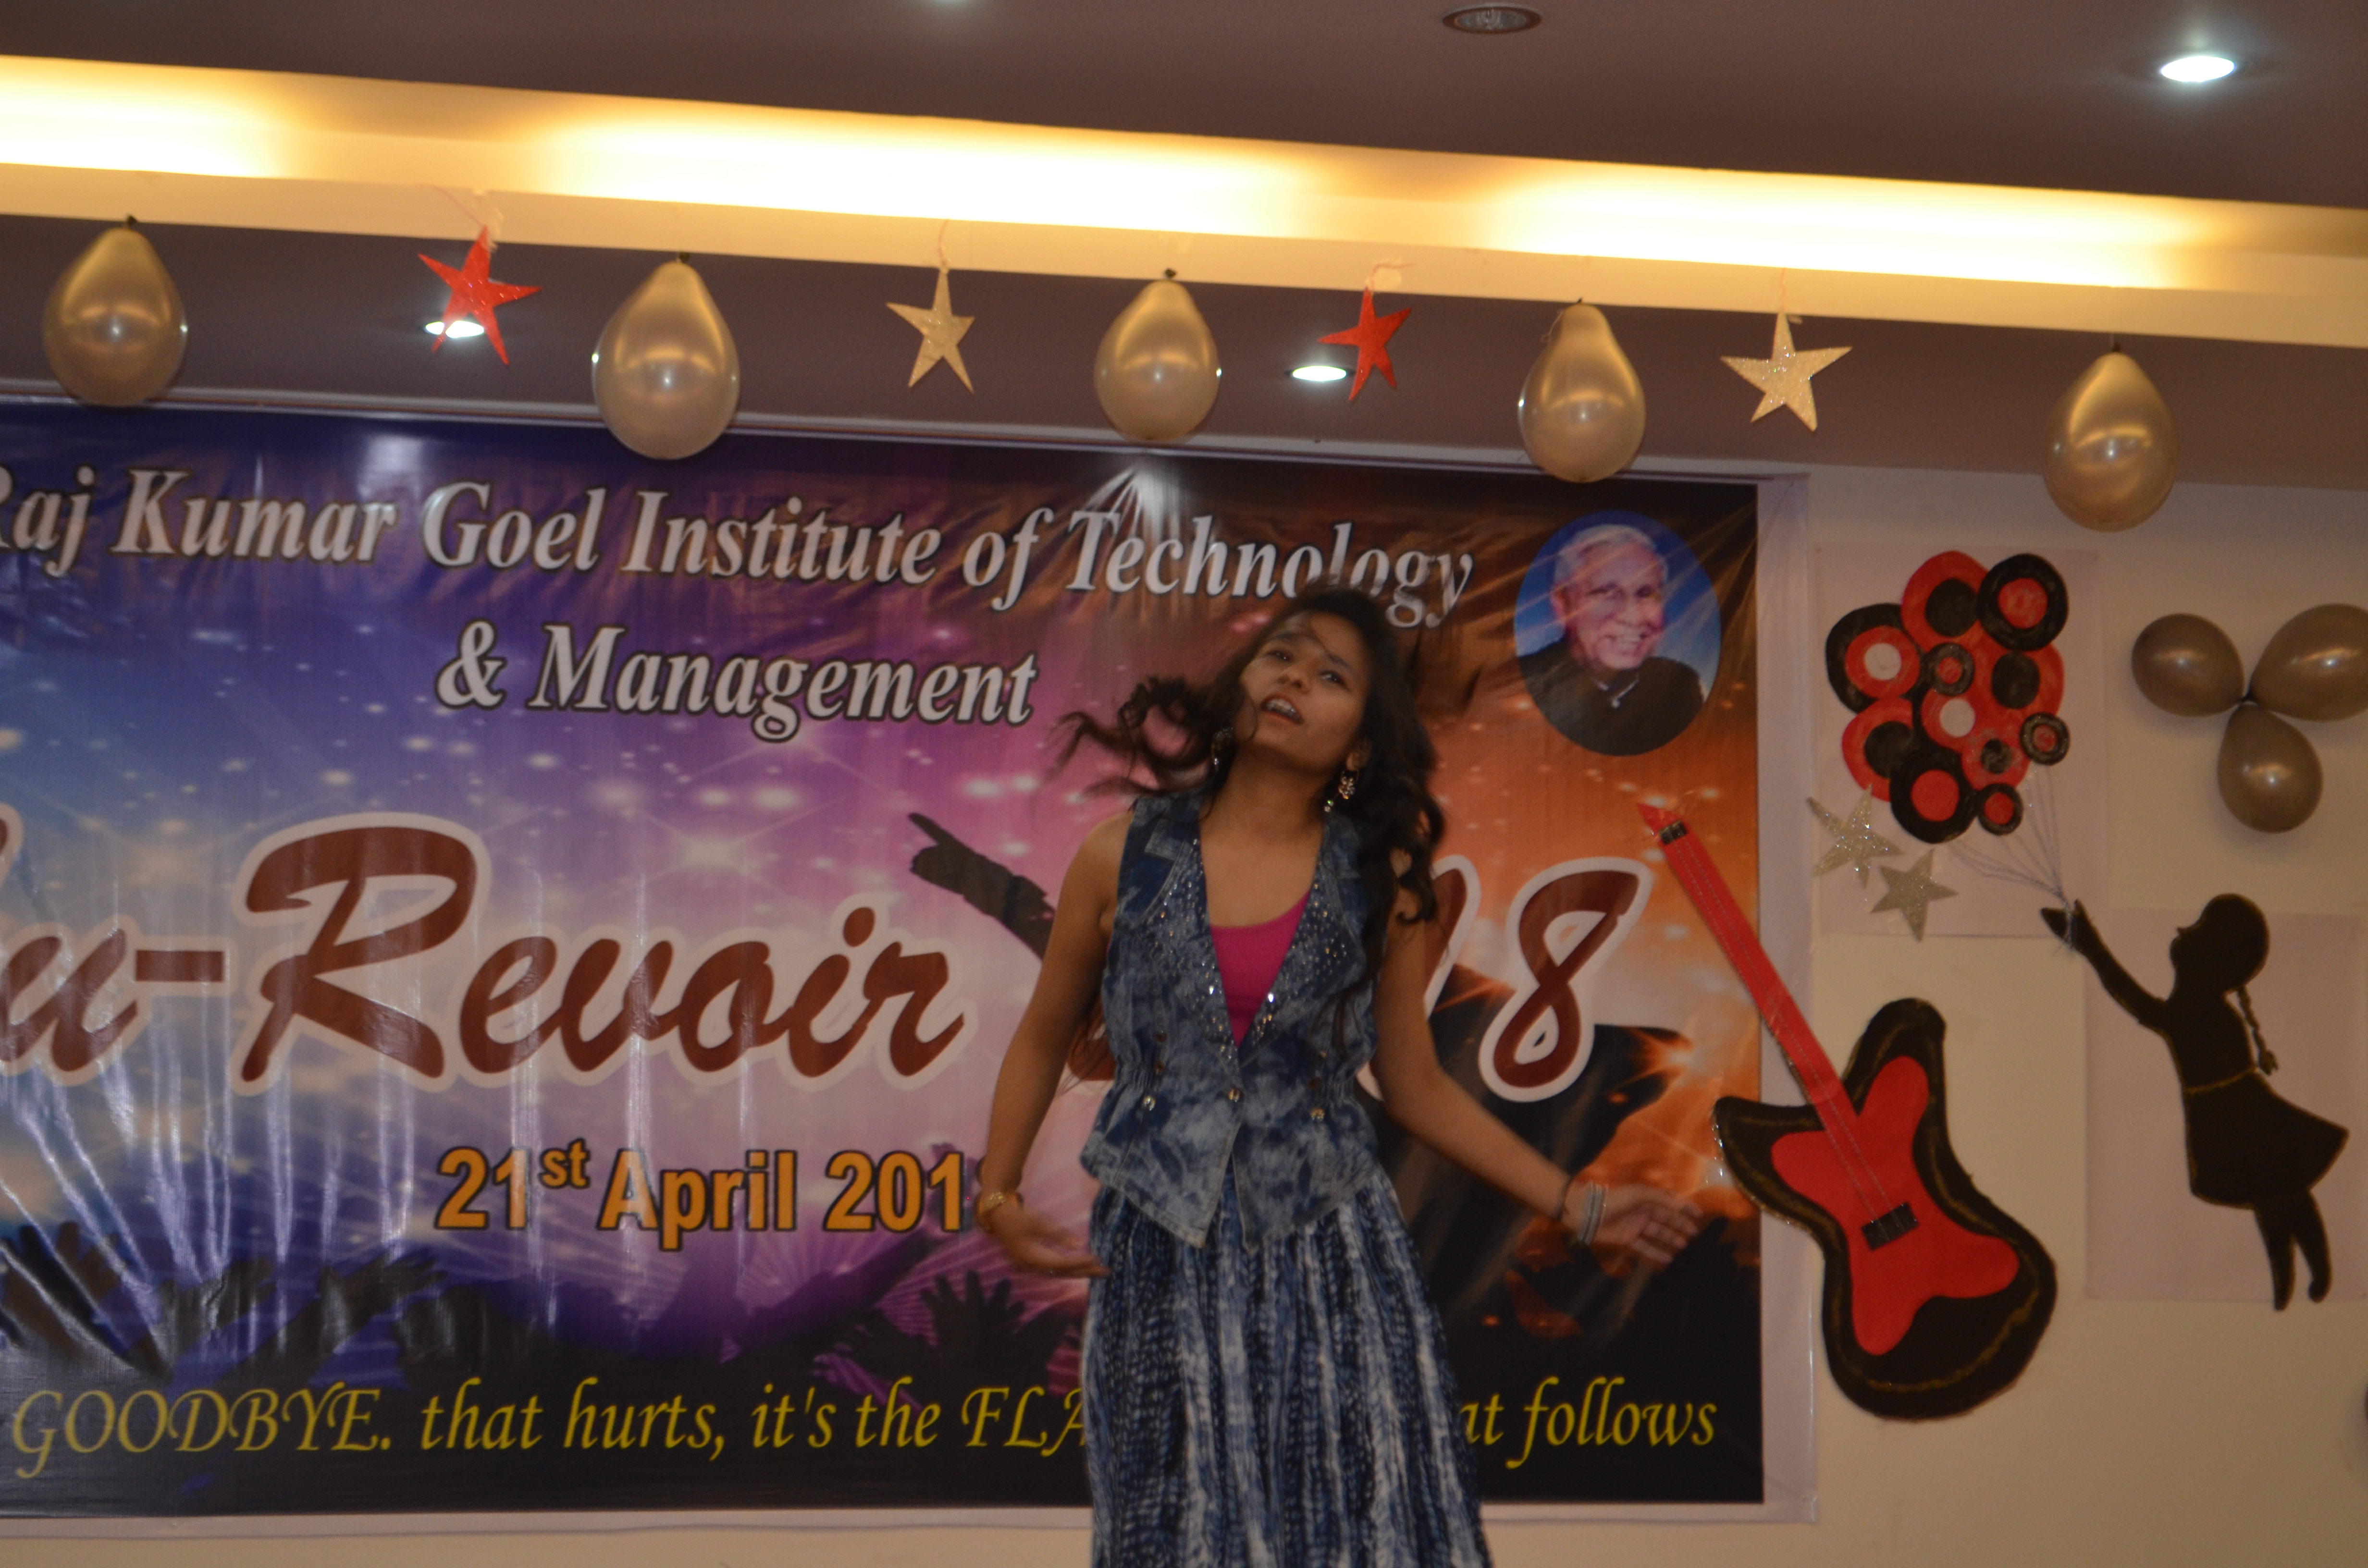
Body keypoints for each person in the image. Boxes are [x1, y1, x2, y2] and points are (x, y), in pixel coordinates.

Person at [974, 588, 1706, 1566]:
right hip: (1157, 1249)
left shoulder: (1379, 877)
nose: (1293, 678)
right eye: (1281, 655)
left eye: (1331, 676)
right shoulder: (1122, 851)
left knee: (1356, 1525)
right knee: (1176, 1528)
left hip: (1329, 1245)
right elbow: (1041, 1035)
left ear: (1359, 739)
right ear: (1242, 686)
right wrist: (998, 1191)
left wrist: (1576, 1202)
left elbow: (1416, 1085)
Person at [2046, 896, 2347, 1309]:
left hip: (2235, 1116)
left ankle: (2305, 1275)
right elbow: (2142, 1004)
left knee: (2278, 1195)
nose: (2181, 932)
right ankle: (2301, 1276)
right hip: (2235, 1112)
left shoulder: (2194, 1008)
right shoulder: (2202, 1006)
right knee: (2280, 1193)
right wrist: (2090, 946)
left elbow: (2137, 1001)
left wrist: (2092, 948)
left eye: (2195, 929)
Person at [1519, 523, 1705, 756]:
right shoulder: (1524, 683)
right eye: (1607, 594)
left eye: (1646, 594)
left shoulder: (1679, 687)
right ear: (1563, 604)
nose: (1633, 617)